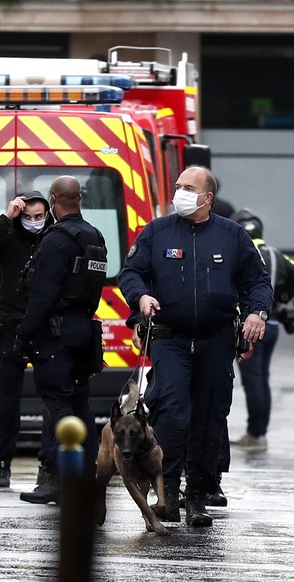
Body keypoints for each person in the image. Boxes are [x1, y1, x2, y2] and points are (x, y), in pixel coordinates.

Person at [118, 165, 273, 527]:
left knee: (208, 416)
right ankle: (167, 491)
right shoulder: (156, 232)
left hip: (216, 340)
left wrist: (257, 314)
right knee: (172, 411)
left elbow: (257, 282)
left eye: (189, 187)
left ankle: (199, 495)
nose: (180, 192)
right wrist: (140, 298)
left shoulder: (232, 235)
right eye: (178, 186)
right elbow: (131, 273)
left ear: (207, 197)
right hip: (169, 339)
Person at [13, 176, 108, 505]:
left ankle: (55, 479)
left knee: (57, 404)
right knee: (80, 403)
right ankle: (86, 473)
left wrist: (23, 335)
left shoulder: (56, 240)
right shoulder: (94, 237)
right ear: (79, 198)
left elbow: (43, 294)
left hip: (55, 334)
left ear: (53, 200)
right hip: (84, 329)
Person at [0, 191, 54, 489]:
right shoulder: (8, 236)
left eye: (38, 216)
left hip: (45, 327)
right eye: (27, 216)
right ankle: (2, 465)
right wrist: (6, 218)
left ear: (48, 214)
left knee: (50, 401)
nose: (33, 222)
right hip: (12, 327)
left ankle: (47, 464)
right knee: (7, 401)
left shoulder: (53, 238)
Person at [228, 209, 294, 451]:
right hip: (273, 324)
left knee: (253, 381)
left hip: (251, 327)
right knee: (262, 380)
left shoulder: (242, 254)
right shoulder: (277, 255)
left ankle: (255, 435)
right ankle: (259, 433)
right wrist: (282, 301)